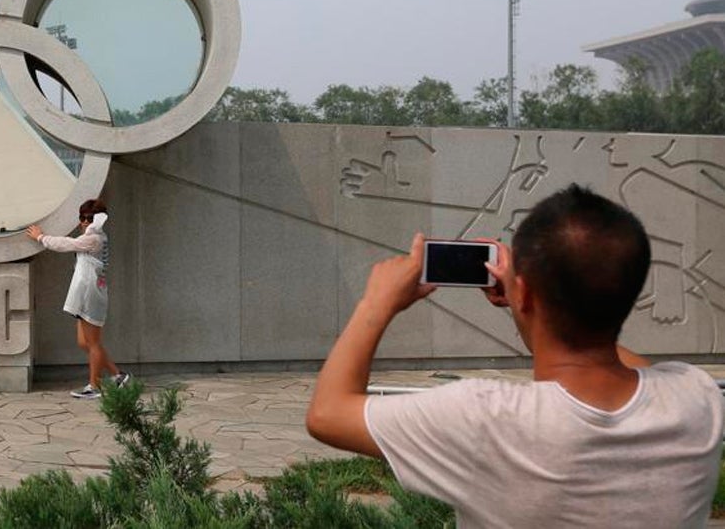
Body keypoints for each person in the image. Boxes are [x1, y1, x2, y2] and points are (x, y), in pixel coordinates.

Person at [306, 184, 724, 527]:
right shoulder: (696, 400)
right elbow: (641, 374)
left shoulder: (483, 418)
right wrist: (529, 306)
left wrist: (376, 303)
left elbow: (327, 413)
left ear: (522, 292)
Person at [27, 199, 131, 399]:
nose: (84, 222)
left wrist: (40, 237)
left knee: (92, 343)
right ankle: (118, 375)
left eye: (89, 218)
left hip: (91, 293)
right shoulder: (92, 237)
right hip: (87, 292)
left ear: (98, 219)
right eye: (82, 217)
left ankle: (94, 386)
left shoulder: (95, 238)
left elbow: (67, 244)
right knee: (84, 342)